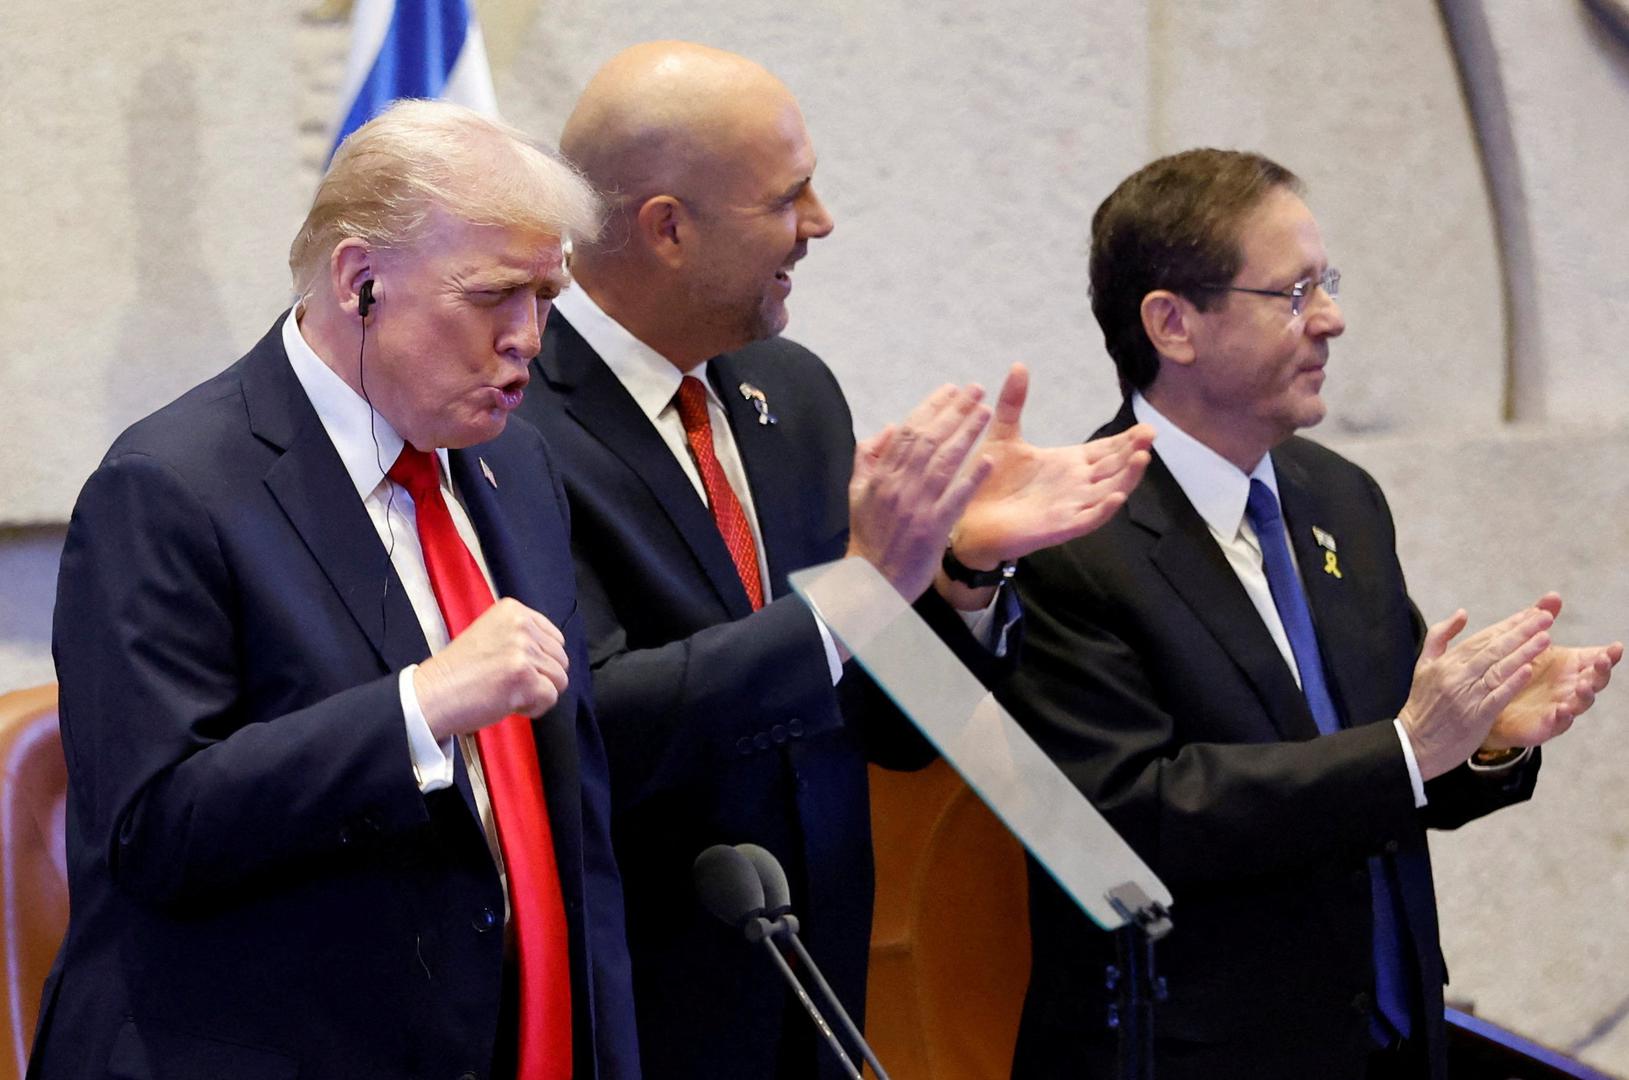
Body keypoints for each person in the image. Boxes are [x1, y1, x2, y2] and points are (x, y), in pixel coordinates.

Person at [510, 41, 1153, 1080]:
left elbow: (878, 723)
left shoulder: (792, 391)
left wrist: (961, 573)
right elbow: (593, 721)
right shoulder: (510, 419)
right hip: (641, 1007)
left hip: (819, 988)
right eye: (788, 197)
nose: (820, 222)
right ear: (668, 228)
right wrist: (859, 591)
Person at [30, 101, 637, 1080]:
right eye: (493, 296)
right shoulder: (169, 486)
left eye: (545, 296)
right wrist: (418, 708)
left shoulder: (517, 466)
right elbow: (153, 831)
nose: (528, 338)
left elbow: (573, 821)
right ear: (361, 283)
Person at [1001, 147, 1622, 1080]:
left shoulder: (1340, 498)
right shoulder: (1070, 536)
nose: (1330, 318)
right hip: (1199, 1059)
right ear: (1172, 324)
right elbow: (1132, 815)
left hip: (1389, 1044)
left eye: (1325, 284)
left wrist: (1484, 734)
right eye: (1292, 293)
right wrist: (1411, 747)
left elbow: (1387, 764)